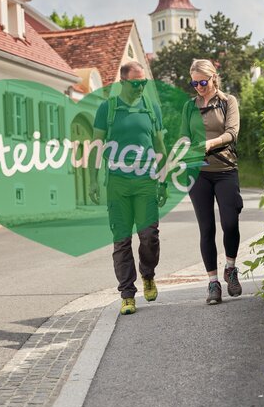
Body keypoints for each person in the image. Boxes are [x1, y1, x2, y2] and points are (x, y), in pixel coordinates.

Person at [89, 62, 168, 315]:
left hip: (146, 181)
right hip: (118, 182)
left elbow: (160, 147)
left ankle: (148, 274)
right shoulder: (108, 109)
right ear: (122, 82)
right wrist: (92, 179)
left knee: (149, 236)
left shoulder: (151, 108)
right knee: (122, 240)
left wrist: (164, 181)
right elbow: (96, 145)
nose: (140, 87)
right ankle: (127, 294)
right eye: (136, 83)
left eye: (144, 82)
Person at [181, 59, 244, 305]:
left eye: (203, 82)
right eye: (194, 83)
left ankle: (230, 267)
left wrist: (210, 143)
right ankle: (213, 283)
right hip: (198, 172)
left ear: (213, 77)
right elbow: (184, 135)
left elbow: (232, 133)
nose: (199, 87)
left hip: (225, 169)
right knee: (206, 229)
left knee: (230, 223)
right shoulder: (189, 107)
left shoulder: (228, 102)